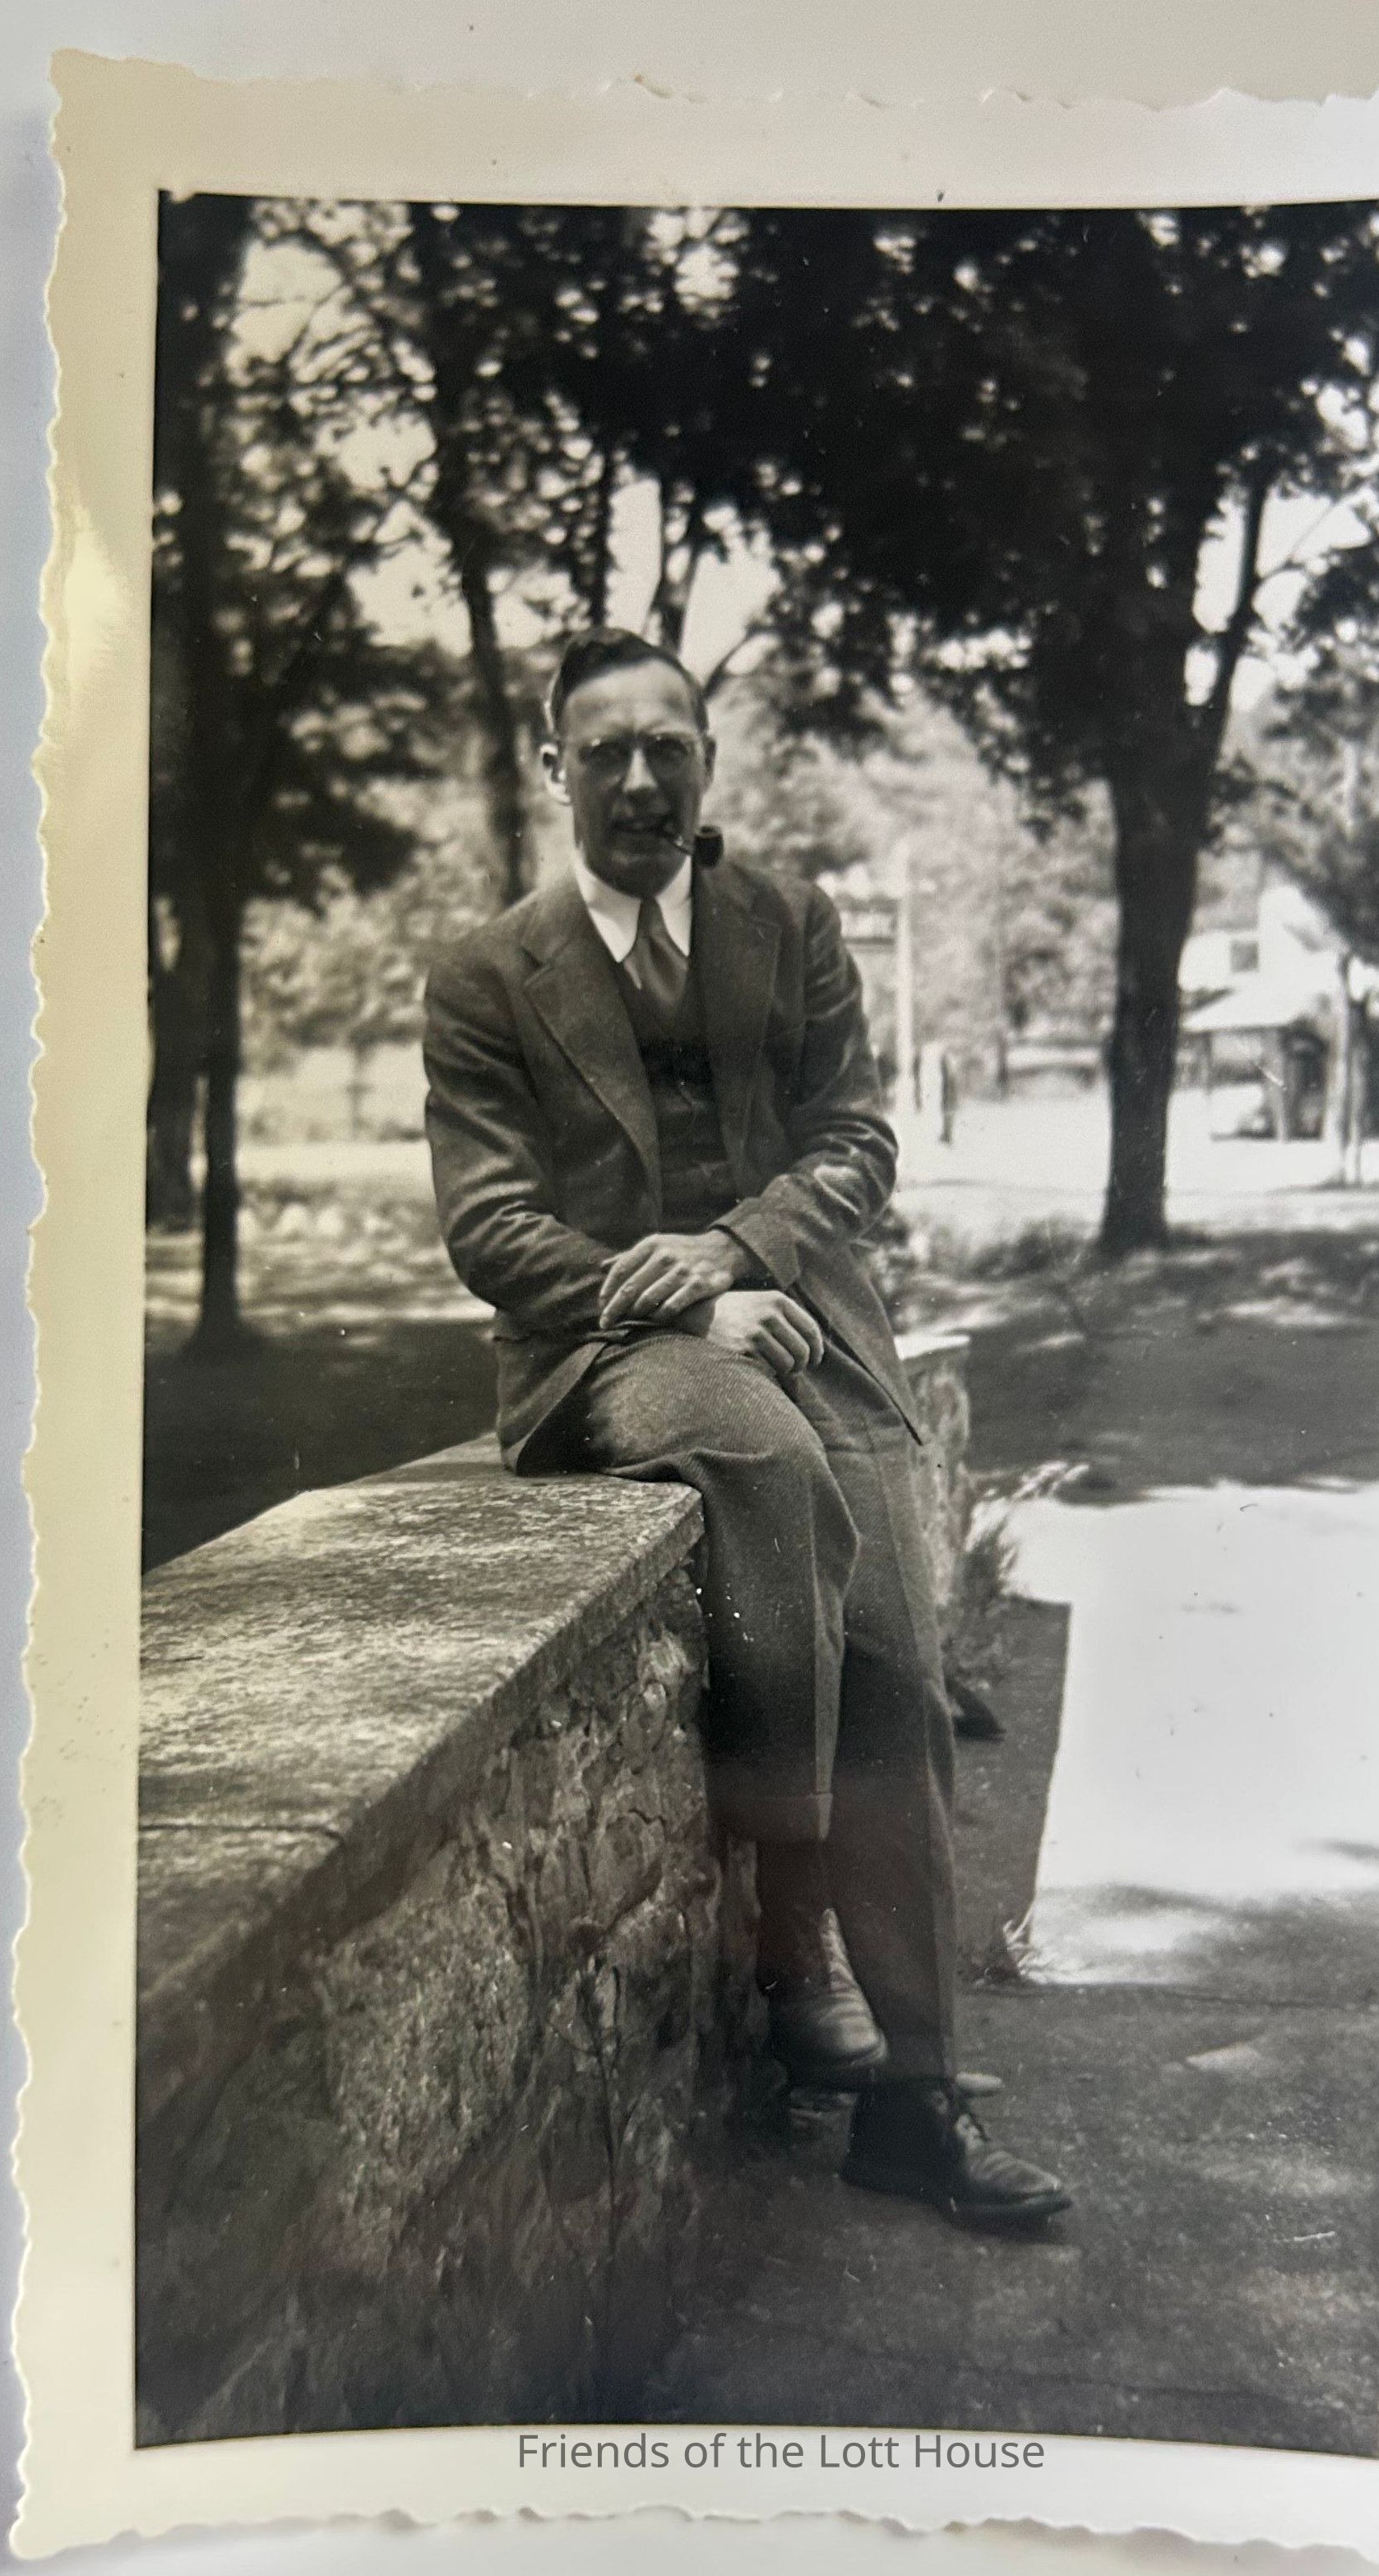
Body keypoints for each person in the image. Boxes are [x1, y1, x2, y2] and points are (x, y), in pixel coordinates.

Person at [423, 627, 1068, 2231]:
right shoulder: (490, 975)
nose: (642, 779)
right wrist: (677, 1302)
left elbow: (856, 1139)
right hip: (610, 1351)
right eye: (607, 752)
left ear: (708, 763)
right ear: (557, 768)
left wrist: (740, 1251)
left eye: (672, 748)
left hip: (807, 1322)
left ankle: (915, 2103)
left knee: (898, 1666)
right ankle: (788, 1934)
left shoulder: (787, 923)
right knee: (763, 1463)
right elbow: (491, 1228)